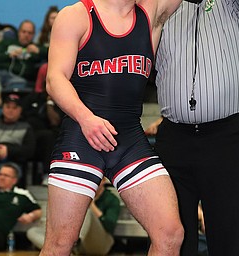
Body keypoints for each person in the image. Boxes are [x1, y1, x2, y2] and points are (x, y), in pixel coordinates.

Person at [39, 0, 184, 255]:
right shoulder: (76, 15)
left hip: (129, 140)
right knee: (61, 243)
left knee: (170, 234)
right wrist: (86, 118)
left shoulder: (150, 13)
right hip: (82, 137)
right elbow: (54, 79)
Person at [153, 0, 239, 255]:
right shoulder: (161, 6)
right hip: (174, 137)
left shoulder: (234, 4)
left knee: (231, 238)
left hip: (229, 138)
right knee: (170, 237)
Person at [27, 177, 120, 255]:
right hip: (74, 241)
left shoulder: (111, 199)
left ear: (103, 181)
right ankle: (67, 249)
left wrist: (91, 204)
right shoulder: (77, 194)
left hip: (100, 242)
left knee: (86, 211)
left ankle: (72, 245)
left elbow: (109, 225)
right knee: (32, 231)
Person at [0, 162, 42, 252]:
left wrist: (30, 216)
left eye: (6, 175)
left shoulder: (22, 195)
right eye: (0, 174)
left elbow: (38, 210)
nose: (1, 177)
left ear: (14, 180)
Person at [0, 94, 36, 186]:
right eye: (7, 107)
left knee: (8, 171)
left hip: (12, 161)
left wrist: (9, 150)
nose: (10, 110)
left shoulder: (26, 128)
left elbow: (29, 150)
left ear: (20, 110)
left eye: (14, 108)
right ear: (3, 108)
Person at [21, 89, 63, 184]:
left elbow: (54, 122)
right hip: (27, 131)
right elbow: (20, 112)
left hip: (44, 137)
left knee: (50, 136)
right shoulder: (33, 97)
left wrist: (49, 103)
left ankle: (46, 173)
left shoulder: (60, 101)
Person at [0, 20, 48, 90]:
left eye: (30, 33)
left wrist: (39, 51)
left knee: (18, 83)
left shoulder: (36, 48)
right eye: (23, 32)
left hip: (18, 79)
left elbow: (50, 55)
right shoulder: (7, 43)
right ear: (19, 32)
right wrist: (9, 55)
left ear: (33, 35)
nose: (26, 35)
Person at [34, 6, 59, 93]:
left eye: (57, 17)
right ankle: (38, 92)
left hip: (59, 62)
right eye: (52, 18)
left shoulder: (65, 33)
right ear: (47, 20)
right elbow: (36, 49)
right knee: (44, 68)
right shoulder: (41, 35)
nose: (55, 20)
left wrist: (41, 50)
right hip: (44, 62)